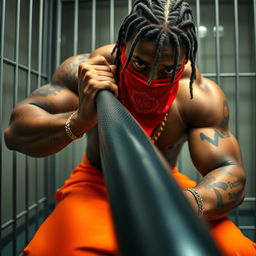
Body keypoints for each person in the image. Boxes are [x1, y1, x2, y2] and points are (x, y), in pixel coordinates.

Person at [4, 0, 256, 255]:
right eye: (140, 65)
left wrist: (190, 201)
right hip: (97, 182)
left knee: (239, 250)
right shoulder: (89, 71)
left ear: (184, 61)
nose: (150, 80)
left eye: (168, 69)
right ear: (123, 44)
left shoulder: (198, 95)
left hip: (167, 185)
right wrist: (80, 119)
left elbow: (229, 170)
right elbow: (15, 132)